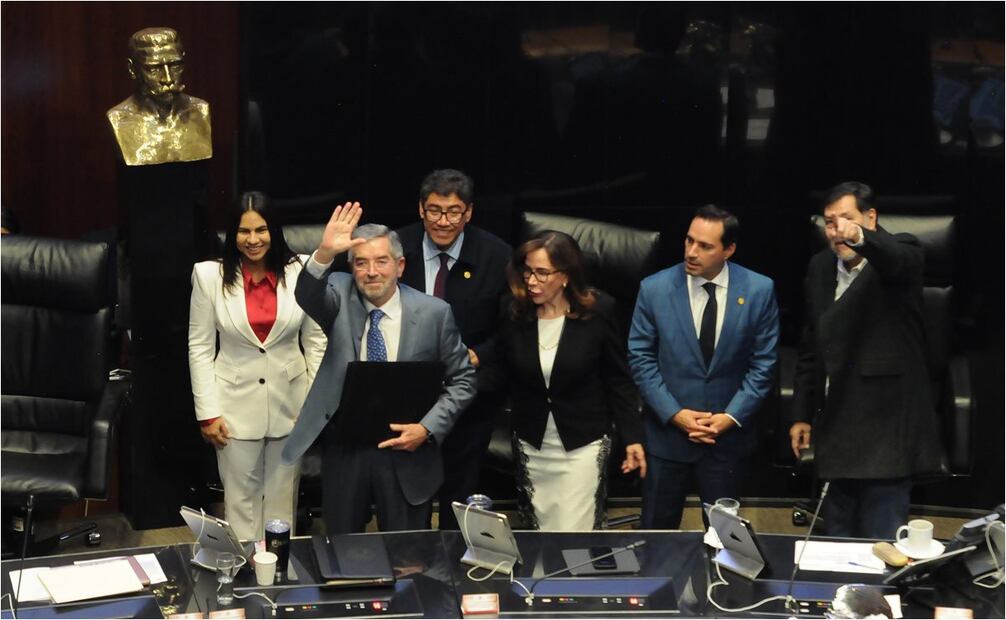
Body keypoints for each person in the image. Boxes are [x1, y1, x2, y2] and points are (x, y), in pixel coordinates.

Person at [281, 203, 477, 533]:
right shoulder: (340, 294)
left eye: (381, 261)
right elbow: (307, 293)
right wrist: (325, 252)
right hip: (348, 448)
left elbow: (463, 380)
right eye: (361, 263)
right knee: (343, 551)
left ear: (400, 266)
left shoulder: (434, 313)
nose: (372, 271)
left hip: (407, 448)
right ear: (351, 267)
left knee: (408, 557)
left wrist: (427, 428)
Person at [789, 181, 945, 539]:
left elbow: (897, 259)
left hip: (885, 436)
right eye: (830, 222)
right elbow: (812, 344)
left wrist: (860, 237)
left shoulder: (902, 253)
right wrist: (800, 413)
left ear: (870, 218)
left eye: (847, 219)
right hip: (836, 429)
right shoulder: (820, 267)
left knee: (880, 552)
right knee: (837, 551)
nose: (837, 231)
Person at [628, 205, 779, 529]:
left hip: (725, 440)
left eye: (705, 246)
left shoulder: (758, 290)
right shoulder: (654, 289)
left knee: (724, 538)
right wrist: (675, 414)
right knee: (657, 533)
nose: (692, 252)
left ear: (729, 250)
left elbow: (764, 363)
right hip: (668, 437)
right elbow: (641, 357)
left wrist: (729, 417)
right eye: (689, 241)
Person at [188, 191, 325, 541]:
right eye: (243, 231)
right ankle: (244, 582)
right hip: (232, 409)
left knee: (282, 505)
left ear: (274, 231)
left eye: (261, 230)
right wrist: (207, 412)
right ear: (231, 235)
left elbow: (315, 342)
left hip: (290, 405)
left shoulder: (300, 271)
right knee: (240, 505)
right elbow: (200, 346)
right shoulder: (209, 277)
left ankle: (279, 578)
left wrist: (312, 406)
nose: (253, 240)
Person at [487, 231, 645, 531]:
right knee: (540, 534)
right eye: (528, 271)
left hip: (583, 443)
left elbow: (618, 380)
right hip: (533, 443)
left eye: (542, 273)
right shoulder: (513, 311)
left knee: (574, 534)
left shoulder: (599, 311)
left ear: (566, 276)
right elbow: (500, 372)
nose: (531, 281)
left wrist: (633, 437)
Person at [397, 169, 511, 529]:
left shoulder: (497, 256)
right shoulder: (396, 249)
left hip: (469, 398)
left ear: (469, 213)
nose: (443, 221)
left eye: (453, 212)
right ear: (420, 209)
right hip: (409, 393)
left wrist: (478, 353)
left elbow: (512, 327)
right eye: (434, 210)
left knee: (458, 501)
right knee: (407, 501)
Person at [106, 27, 212, 166]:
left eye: (175, 66)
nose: (168, 79)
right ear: (132, 69)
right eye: (154, 69)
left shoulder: (200, 111)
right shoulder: (119, 120)